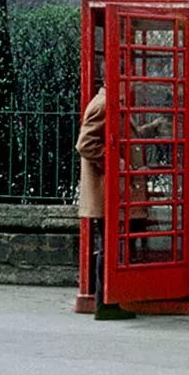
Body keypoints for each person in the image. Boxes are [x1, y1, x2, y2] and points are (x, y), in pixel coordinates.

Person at [76, 84, 136, 321]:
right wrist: (114, 161)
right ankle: (105, 303)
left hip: (111, 190)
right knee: (108, 246)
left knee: (109, 245)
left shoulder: (111, 104)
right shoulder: (102, 105)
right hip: (104, 190)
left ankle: (109, 300)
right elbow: (84, 144)